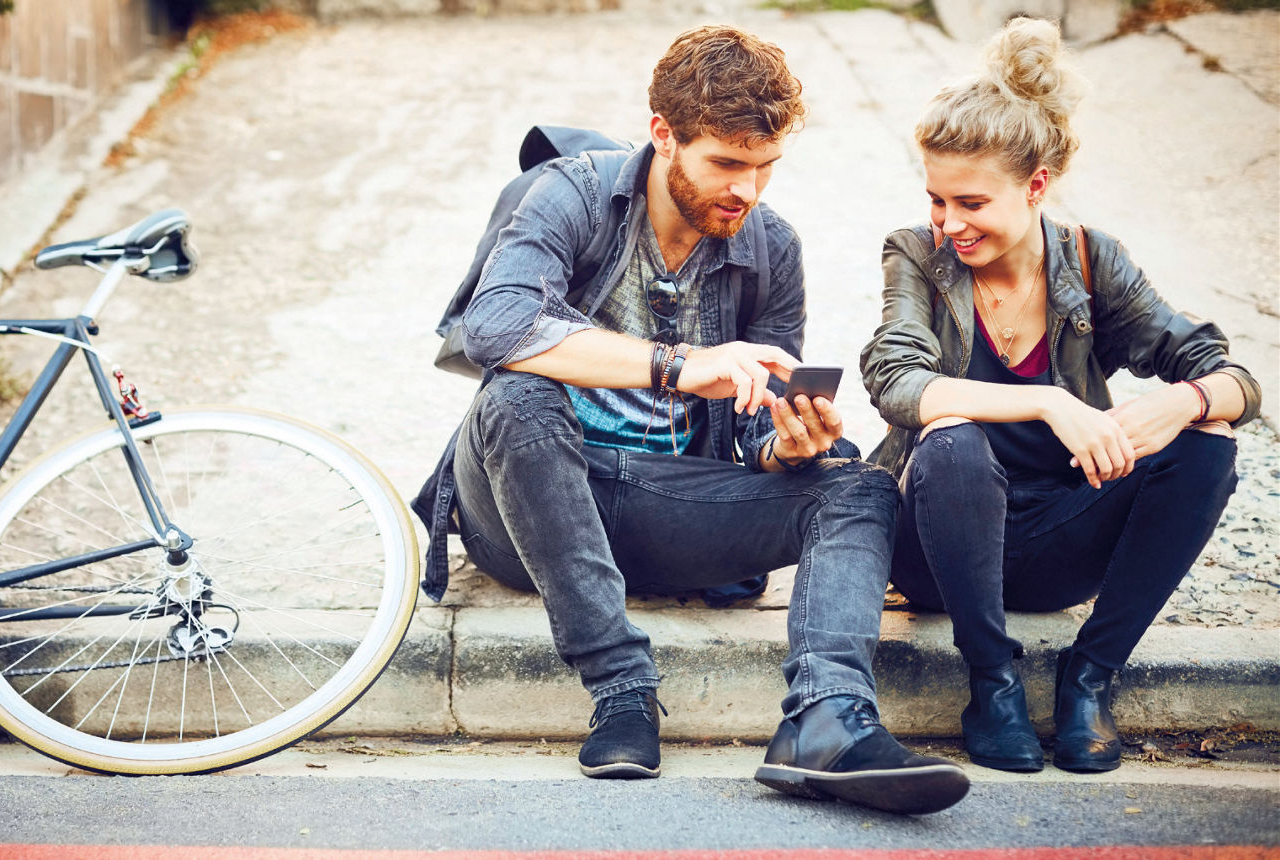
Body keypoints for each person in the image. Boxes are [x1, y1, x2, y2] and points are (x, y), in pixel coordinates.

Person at [414, 25, 968, 815]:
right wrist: (676, 364)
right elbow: (495, 327)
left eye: (765, 166)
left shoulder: (769, 247)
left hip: (663, 504)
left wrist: (786, 445)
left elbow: (752, 425)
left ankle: (827, 719)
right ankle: (622, 689)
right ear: (663, 134)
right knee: (517, 394)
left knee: (859, 486)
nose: (749, 190)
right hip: (524, 505)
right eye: (727, 164)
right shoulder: (573, 194)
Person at [860, 17, 1261, 775]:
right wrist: (1050, 402)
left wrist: (1184, 402)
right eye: (937, 199)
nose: (949, 223)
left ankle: (1091, 677)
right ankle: (993, 685)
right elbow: (896, 379)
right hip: (936, 547)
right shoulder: (917, 253)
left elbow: (1232, 377)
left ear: (1036, 185)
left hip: (1057, 540)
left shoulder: (1091, 260)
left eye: (971, 203)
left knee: (1209, 444)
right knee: (951, 437)